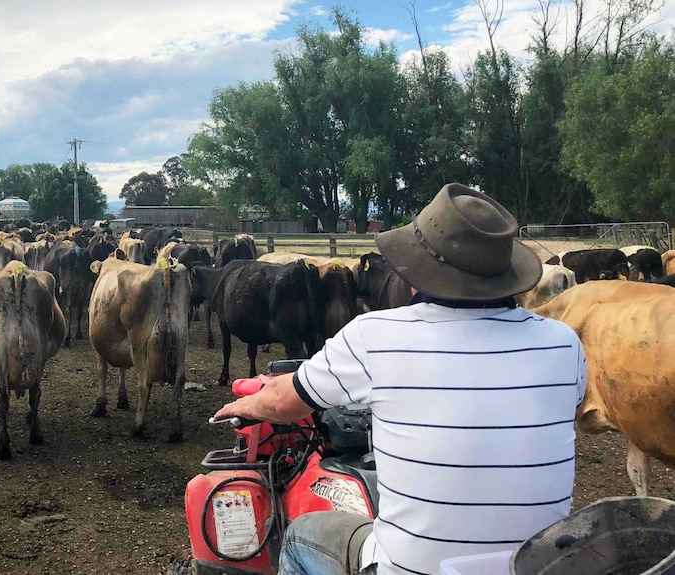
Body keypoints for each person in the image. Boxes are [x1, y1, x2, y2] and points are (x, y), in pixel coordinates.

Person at [213, 183, 587, 575]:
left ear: (416, 273)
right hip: (540, 566)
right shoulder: (563, 342)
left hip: (410, 569)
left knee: (302, 534)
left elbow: (280, 403)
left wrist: (245, 404)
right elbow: (570, 412)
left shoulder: (375, 336)